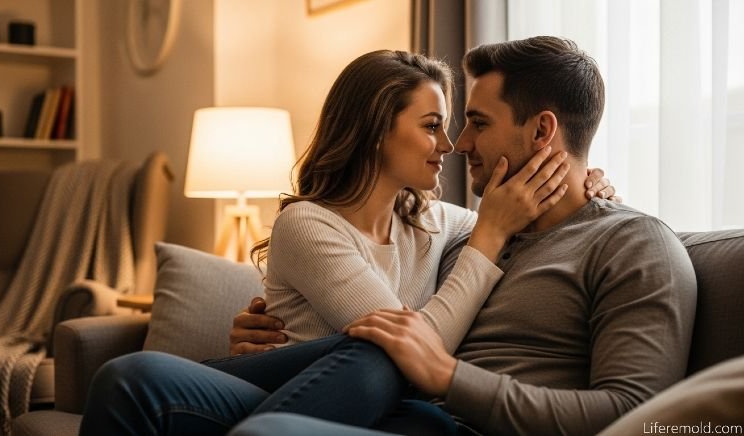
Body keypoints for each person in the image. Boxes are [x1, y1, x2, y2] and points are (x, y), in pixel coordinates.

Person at [79, 49, 616, 436]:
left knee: (394, 368)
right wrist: (491, 232)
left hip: (384, 410)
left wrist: (594, 186)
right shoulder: (308, 223)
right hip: (297, 388)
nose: (450, 145)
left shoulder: (438, 222)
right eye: (432, 126)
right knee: (382, 346)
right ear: (376, 130)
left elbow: (535, 214)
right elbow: (412, 350)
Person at [228, 36, 698, 435]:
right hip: (395, 411)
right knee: (171, 377)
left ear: (542, 130)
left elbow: (641, 417)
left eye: (479, 123)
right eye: (441, 126)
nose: (459, 144)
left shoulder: (634, 243)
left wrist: (448, 377)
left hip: (438, 421)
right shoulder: (474, 238)